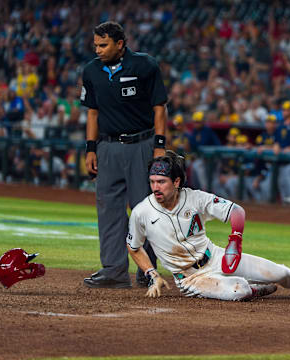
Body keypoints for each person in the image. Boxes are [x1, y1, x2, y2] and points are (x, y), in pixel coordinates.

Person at [126, 151, 290, 300]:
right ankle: (253, 289)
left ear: (176, 182)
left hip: (216, 257)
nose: (155, 187)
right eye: (152, 181)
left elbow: (236, 211)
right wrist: (152, 274)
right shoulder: (142, 212)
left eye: (161, 182)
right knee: (238, 290)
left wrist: (235, 239)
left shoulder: (195, 198)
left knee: (279, 272)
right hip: (191, 279)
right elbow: (134, 247)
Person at [80, 21, 168, 289]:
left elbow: (159, 108)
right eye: (95, 45)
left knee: (145, 210)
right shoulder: (91, 71)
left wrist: (160, 145)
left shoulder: (145, 65)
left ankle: (147, 271)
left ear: (120, 44)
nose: (98, 50)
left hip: (141, 144)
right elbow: (92, 113)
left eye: (103, 45)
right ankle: (114, 270)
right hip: (107, 148)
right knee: (108, 209)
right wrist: (90, 148)